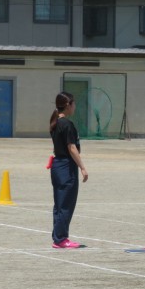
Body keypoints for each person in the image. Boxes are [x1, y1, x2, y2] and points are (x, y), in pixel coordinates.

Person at [49, 92, 88, 249]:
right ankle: (61, 238)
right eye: (74, 103)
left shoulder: (55, 122)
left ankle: (58, 236)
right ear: (67, 105)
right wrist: (82, 167)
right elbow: (72, 148)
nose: (75, 106)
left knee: (59, 204)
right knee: (66, 204)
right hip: (66, 166)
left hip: (57, 165)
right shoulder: (67, 124)